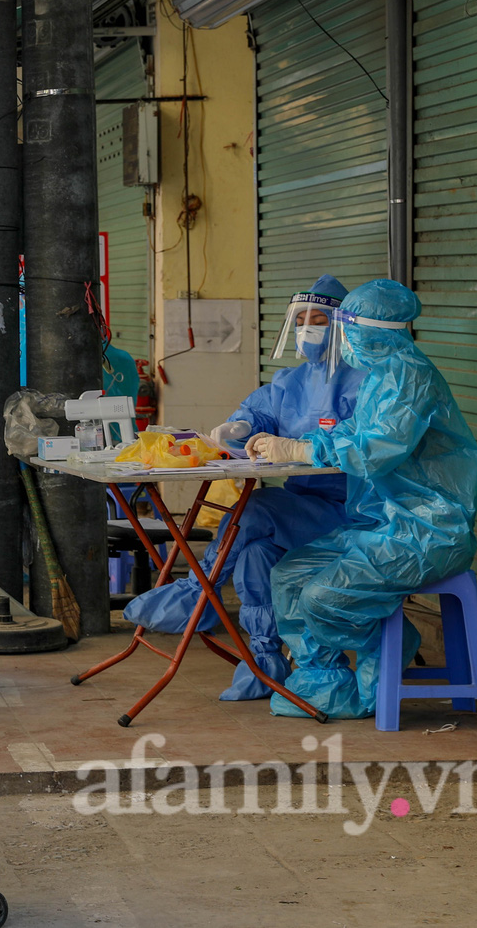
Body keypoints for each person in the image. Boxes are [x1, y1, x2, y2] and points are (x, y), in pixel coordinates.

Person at [122, 274, 364, 699]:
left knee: (255, 509)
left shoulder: (364, 382)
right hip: (304, 508)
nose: (308, 328)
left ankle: (199, 595)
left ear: (341, 325)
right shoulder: (291, 381)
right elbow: (261, 413)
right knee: (253, 554)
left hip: (353, 512)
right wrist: (242, 426)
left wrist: (298, 449)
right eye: (301, 319)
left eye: (319, 320)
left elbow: (362, 444)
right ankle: (263, 664)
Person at [251, 279, 477, 720]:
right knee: (290, 576)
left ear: (372, 332)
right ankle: (322, 682)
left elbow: (375, 450)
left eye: (347, 327)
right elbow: (352, 432)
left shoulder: (409, 378)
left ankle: (390, 651)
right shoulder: (380, 376)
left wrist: (303, 451)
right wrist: (294, 440)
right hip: (384, 524)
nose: (343, 338)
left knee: (323, 597)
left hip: (429, 531)